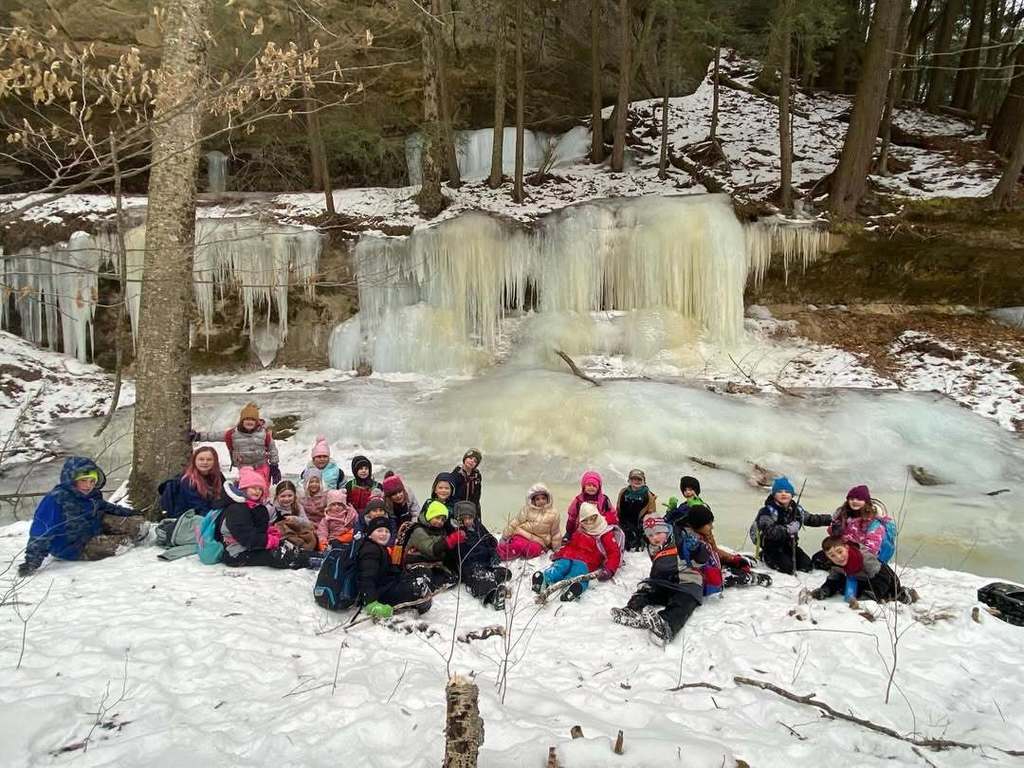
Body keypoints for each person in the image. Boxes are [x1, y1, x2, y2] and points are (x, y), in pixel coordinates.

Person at [18, 457, 148, 576]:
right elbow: (41, 532)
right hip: (73, 546)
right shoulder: (56, 500)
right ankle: (120, 540)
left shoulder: (91, 494)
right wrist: (31, 562)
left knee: (136, 525)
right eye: (83, 481)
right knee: (122, 543)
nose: (88, 485)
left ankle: (135, 532)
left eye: (92, 481)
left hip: (90, 529)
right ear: (72, 480)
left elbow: (105, 506)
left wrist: (130, 513)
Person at [610, 514, 706, 644]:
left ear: (666, 530)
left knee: (682, 604)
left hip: (687, 584)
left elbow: (701, 560)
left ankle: (666, 625)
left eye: (658, 533)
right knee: (646, 591)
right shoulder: (654, 547)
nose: (654, 538)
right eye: (650, 535)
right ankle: (632, 610)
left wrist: (698, 549)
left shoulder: (681, 541)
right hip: (665, 584)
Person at [219, 467, 308, 569]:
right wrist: (269, 540)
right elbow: (246, 537)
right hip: (236, 552)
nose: (257, 491)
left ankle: (310, 556)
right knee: (278, 556)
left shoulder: (257, 507)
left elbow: (258, 528)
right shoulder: (236, 509)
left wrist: (270, 531)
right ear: (244, 489)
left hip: (251, 547)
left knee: (286, 547)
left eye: (260, 489)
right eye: (253, 488)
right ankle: (307, 561)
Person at [532, 502, 621, 602]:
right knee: (560, 566)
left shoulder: (605, 534)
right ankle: (544, 579)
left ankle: (574, 589)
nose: (589, 523)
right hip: (569, 556)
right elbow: (571, 545)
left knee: (578, 572)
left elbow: (614, 553)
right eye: (585, 520)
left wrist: (609, 569)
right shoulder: (580, 529)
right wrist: (560, 554)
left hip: (586, 561)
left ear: (597, 516)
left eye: (592, 518)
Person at [751, 476, 831, 574]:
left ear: (792, 495)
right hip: (772, 547)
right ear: (774, 494)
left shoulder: (796, 509)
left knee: (807, 566)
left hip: (790, 546)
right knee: (788, 568)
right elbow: (770, 532)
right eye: (779, 491)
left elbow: (811, 519)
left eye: (787, 492)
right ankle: (764, 555)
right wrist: (787, 530)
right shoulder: (767, 511)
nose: (783, 494)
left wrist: (830, 519)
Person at [358, 517, 433, 620]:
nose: (384, 534)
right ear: (370, 534)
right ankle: (418, 597)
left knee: (422, 571)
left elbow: (390, 570)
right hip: (380, 594)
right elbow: (366, 579)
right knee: (417, 588)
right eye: (379, 530)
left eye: (387, 531)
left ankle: (419, 595)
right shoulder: (370, 550)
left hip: (388, 584)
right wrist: (371, 603)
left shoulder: (381, 548)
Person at [190, 402, 281, 483]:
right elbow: (215, 436)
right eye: (247, 419)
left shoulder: (264, 434)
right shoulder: (233, 434)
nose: (249, 422)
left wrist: (274, 465)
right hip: (244, 467)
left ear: (257, 422)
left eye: (252, 420)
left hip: (262, 466)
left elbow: (272, 449)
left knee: (263, 486)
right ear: (242, 421)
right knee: (249, 488)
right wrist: (198, 436)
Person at [811, 536, 916, 605]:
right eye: (832, 555)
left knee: (889, 594)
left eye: (840, 552)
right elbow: (833, 579)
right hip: (861, 579)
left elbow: (883, 577)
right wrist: (825, 590)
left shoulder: (865, 559)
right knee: (841, 586)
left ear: (846, 548)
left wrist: (869, 597)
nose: (838, 557)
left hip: (885, 580)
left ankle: (903, 594)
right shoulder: (834, 564)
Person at [813, 485, 896, 569]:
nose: (854, 501)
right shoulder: (843, 515)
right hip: (844, 550)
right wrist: (834, 530)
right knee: (817, 558)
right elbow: (834, 536)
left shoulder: (873, 522)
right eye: (852, 499)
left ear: (866, 501)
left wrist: (848, 556)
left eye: (859, 499)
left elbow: (872, 549)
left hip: (863, 556)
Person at [450, 500, 511, 610]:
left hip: (485, 563)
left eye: (470, 518)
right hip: (470, 566)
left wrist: (493, 553)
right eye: (464, 519)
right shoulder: (457, 532)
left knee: (506, 573)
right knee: (480, 578)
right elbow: (461, 554)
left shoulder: (478, 526)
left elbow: (491, 540)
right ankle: (493, 596)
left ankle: (490, 580)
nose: (468, 521)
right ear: (459, 520)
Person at [401, 500, 464, 591]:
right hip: (416, 563)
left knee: (452, 577)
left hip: (433, 563)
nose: (440, 522)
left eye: (443, 520)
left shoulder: (441, 531)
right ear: (429, 516)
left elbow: (443, 551)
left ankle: (434, 583)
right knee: (424, 578)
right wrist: (450, 540)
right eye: (437, 518)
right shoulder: (418, 531)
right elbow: (431, 550)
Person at [497, 483, 561, 560]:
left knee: (533, 550)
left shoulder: (554, 514)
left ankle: (513, 550)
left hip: (539, 541)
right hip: (523, 534)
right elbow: (516, 522)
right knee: (518, 545)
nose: (541, 501)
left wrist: (556, 550)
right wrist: (504, 536)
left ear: (548, 499)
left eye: (543, 498)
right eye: (537, 499)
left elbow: (555, 533)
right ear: (533, 501)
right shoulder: (527, 510)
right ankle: (500, 554)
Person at [158, 446, 226, 518]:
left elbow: (225, 499)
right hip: (190, 517)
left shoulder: (218, 477)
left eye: (209, 460)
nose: (205, 462)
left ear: (215, 462)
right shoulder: (188, 480)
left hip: (209, 513)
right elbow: (198, 507)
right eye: (201, 459)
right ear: (194, 461)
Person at [616, 469, 658, 551]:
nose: (636, 481)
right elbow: (618, 509)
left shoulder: (649, 495)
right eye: (634, 479)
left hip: (641, 525)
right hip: (625, 523)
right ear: (629, 480)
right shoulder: (623, 492)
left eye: (639, 479)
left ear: (644, 482)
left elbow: (652, 514)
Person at [565, 471, 617, 536]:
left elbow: (612, 513)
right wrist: (569, 532)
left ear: (599, 488)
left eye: (594, 486)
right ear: (584, 486)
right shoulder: (578, 500)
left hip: (599, 529)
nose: (591, 487)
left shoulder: (604, 500)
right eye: (589, 485)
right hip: (582, 530)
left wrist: (613, 525)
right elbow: (572, 517)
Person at [272, 481, 318, 551]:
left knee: (311, 535)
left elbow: (307, 523)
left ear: (294, 496)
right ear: (277, 496)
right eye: (283, 496)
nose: (286, 499)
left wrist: (296, 519)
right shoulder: (272, 508)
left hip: (297, 533)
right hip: (282, 535)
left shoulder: (298, 507)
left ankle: (304, 549)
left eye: (290, 496)